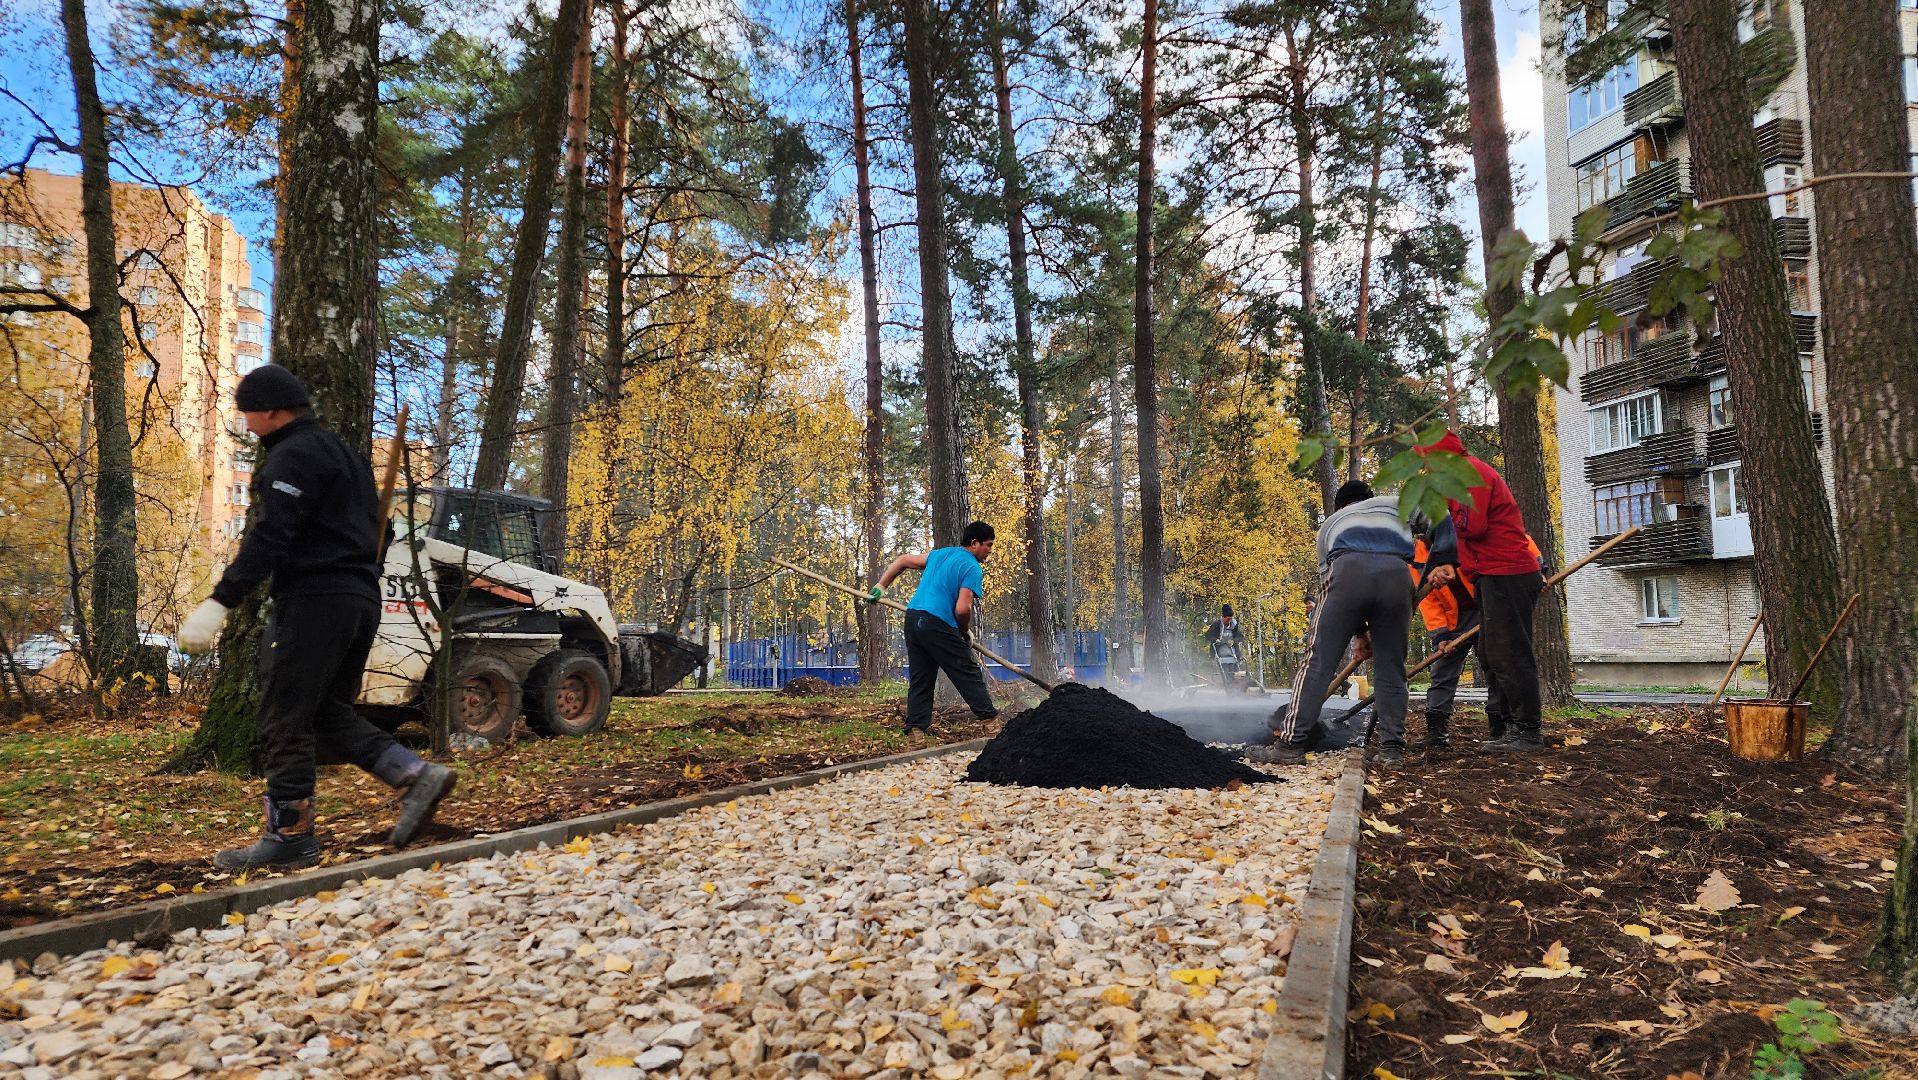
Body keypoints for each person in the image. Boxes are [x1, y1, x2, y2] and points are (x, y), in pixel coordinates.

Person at [178, 365, 456, 869]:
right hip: (359, 599)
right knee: (328, 715)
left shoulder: (293, 455)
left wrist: (221, 600)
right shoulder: (342, 455)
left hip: (315, 602)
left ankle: (290, 838)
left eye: (248, 416)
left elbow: (271, 535)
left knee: (284, 718)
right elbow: (383, 528)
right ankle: (415, 775)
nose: (247, 427)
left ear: (269, 411)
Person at [1252, 480, 1415, 767]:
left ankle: (1290, 745)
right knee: (1392, 666)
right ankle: (1391, 750)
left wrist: (1357, 631)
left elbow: (1331, 582)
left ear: (1341, 507)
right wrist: (1444, 561)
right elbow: (1440, 518)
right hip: (1397, 574)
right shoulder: (1395, 505)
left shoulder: (1331, 523)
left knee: (1318, 661)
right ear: (1370, 499)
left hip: (1347, 570)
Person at [1420, 430, 1546, 753]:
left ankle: (1527, 731)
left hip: (1507, 572)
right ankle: (1507, 728)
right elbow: (1469, 536)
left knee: (1510, 652)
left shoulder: (1471, 475)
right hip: (1492, 575)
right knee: (1492, 652)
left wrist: (1444, 512)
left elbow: (1472, 526)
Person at [869, 521, 1001, 745]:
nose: (990, 550)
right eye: (988, 545)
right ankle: (991, 723)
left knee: (922, 677)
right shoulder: (972, 567)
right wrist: (964, 631)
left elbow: (902, 560)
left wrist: (881, 586)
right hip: (936, 623)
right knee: (966, 670)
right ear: (974, 543)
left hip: (913, 619)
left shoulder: (939, 555)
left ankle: (915, 733)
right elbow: (962, 609)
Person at [1203, 604, 1247, 683]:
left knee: (1236, 674)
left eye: (1230, 619)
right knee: (1226, 674)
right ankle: (1228, 687)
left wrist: (1234, 641)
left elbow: (1240, 636)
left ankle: (1237, 688)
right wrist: (1216, 640)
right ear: (1223, 617)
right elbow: (1208, 635)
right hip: (1220, 654)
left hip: (1233, 654)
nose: (1229, 621)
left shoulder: (1234, 625)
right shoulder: (1217, 625)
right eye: (1227, 619)